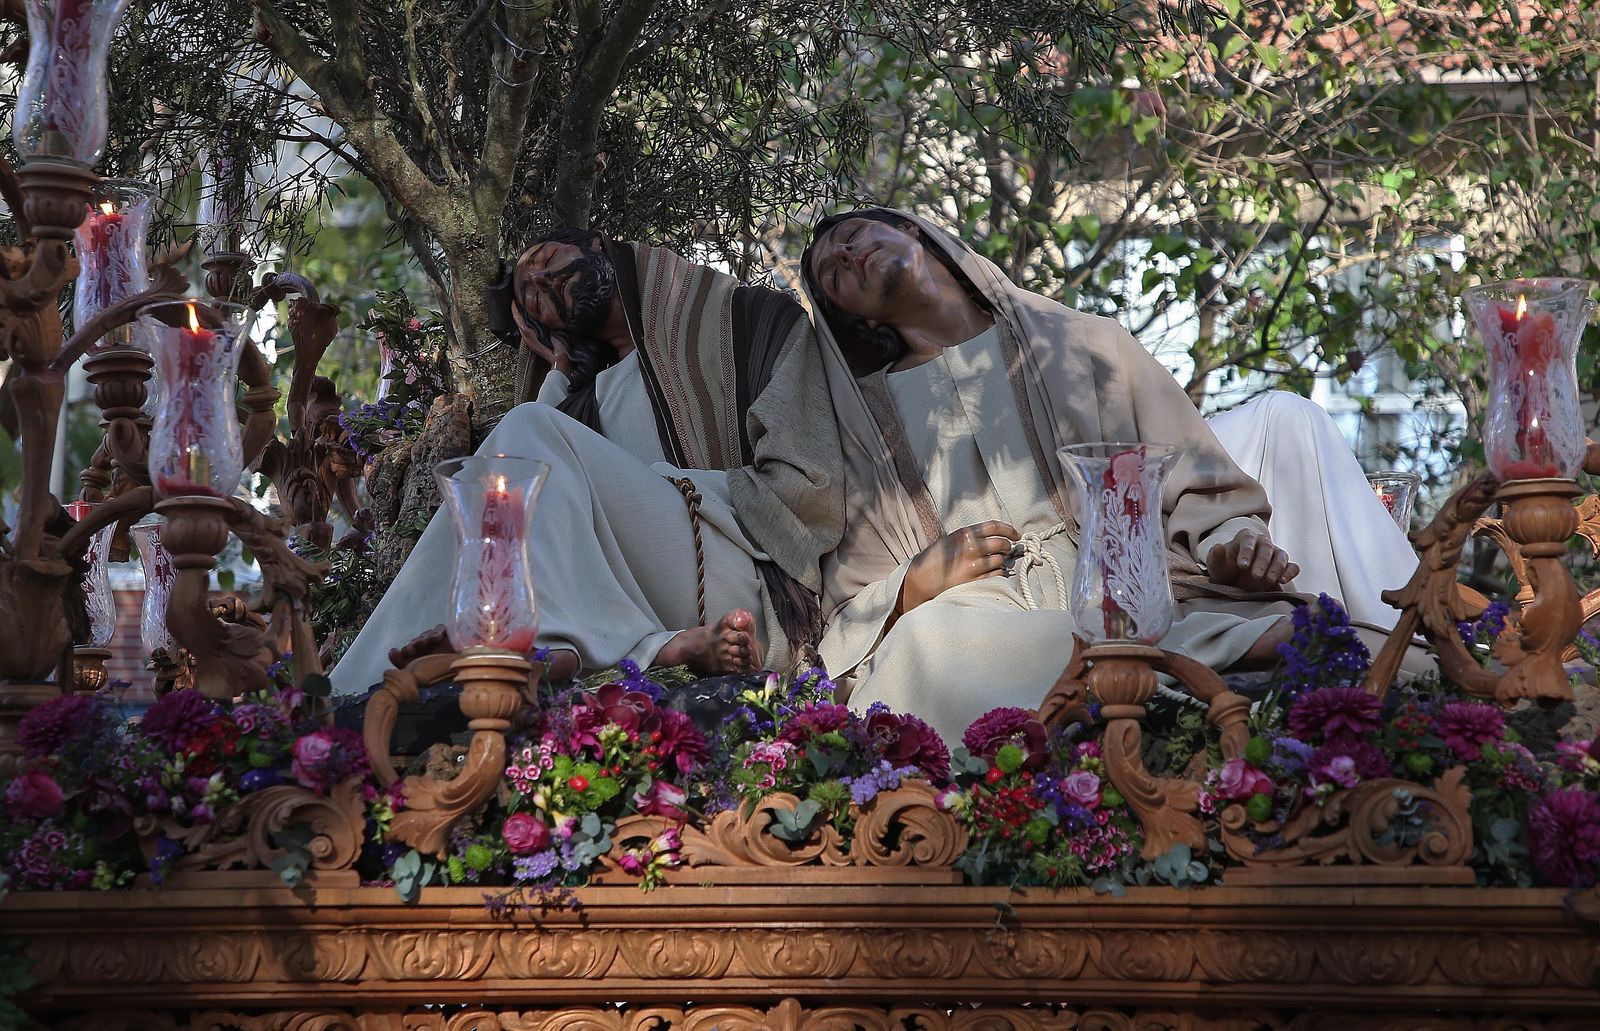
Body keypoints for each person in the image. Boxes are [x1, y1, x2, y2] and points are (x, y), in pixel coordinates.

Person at [799, 207, 1420, 741]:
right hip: (984, 617)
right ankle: (1212, 651)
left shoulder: (1088, 345)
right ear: (856, 320)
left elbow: (1202, 490)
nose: (848, 255)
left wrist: (1234, 548)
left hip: (1125, 586)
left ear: (913, 230)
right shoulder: (866, 430)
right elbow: (852, 601)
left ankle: (1181, 648)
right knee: (925, 641)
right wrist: (915, 583)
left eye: (853, 236)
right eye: (833, 272)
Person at [330, 230, 843, 695]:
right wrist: (558, 372)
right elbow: (545, 507)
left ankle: (528, 641)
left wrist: (666, 485)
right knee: (512, 465)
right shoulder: (583, 406)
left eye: (548, 258)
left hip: (746, 588)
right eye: (532, 299)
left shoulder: (750, 321)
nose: (541, 281)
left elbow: (811, 488)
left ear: (600, 244)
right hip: (649, 606)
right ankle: (360, 691)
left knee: (526, 438)